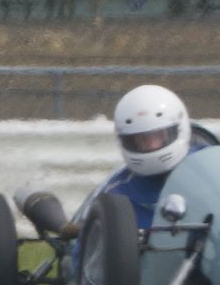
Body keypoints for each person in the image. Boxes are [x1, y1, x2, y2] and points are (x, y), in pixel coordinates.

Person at [81, 84, 210, 230]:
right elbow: (86, 247)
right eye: (141, 140)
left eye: (158, 136)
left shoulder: (212, 164)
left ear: (180, 129)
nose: (151, 146)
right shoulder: (116, 192)